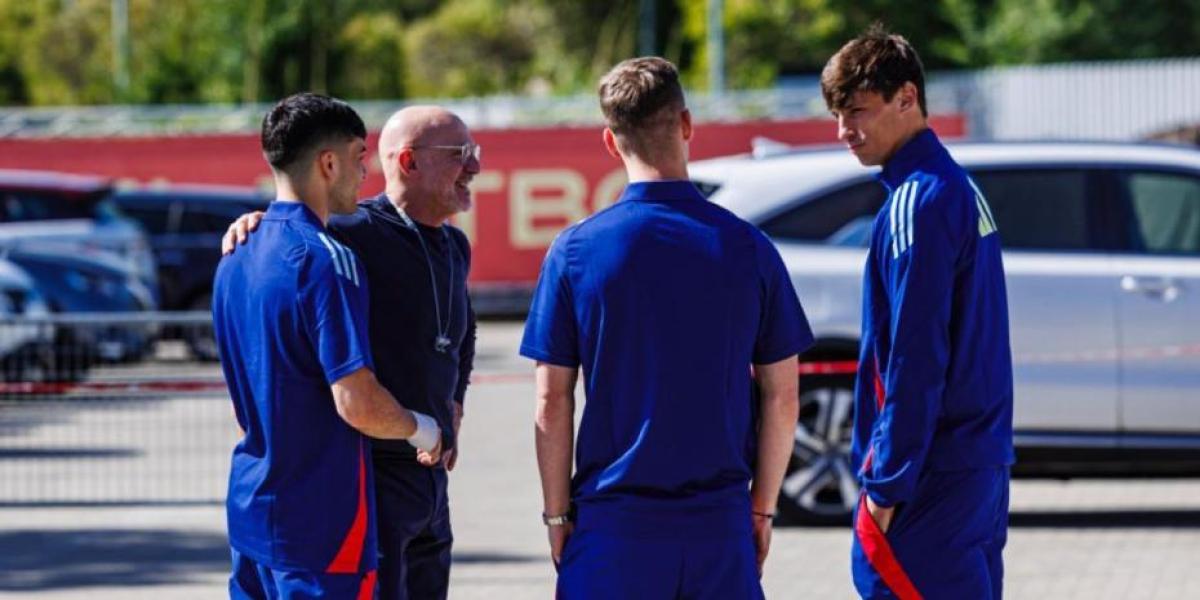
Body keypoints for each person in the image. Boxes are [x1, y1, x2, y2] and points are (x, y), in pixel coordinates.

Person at [519, 56, 814, 599]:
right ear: (686, 125)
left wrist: (557, 516)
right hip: (719, 526)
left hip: (613, 528)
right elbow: (782, 395)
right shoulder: (750, 249)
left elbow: (551, 400)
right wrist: (763, 509)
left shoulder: (575, 252)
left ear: (611, 143)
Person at [223, 105, 479, 600]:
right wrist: (252, 222)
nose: (475, 167)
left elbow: (461, 333)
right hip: (372, 482)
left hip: (430, 484)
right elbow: (292, 231)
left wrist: (455, 404)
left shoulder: (455, 245)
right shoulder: (351, 234)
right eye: (460, 154)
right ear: (408, 162)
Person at [820, 25, 1015, 599]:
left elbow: (914, 356)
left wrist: (885, 485)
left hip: (929, 477)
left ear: (907, 97)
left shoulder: (918, 202)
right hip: (974, 469)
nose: (843, 131)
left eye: (857, 110)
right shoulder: (955, 185)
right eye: (837, 114)